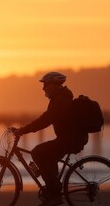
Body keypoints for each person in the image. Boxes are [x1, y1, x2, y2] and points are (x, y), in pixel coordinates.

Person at [14, 72, 88, 206]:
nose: (43, 88)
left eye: (46, 85)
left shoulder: (60, 100)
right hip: (69, 138)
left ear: (54, 85)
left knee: (37, 152)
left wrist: (23, 130)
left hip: (70, 139)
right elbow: (46, 118)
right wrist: (25, 129)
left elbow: (45, 120)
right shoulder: (59, 98)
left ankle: (54, 193)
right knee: (47, 156)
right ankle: (53, 191)